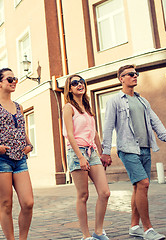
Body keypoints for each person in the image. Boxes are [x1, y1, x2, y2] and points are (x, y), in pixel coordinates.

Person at [101, 65, 166, 240]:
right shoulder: (115, 100)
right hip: (128, 149)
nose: (134, 76)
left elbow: (155, 121)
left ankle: (134, 226)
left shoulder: (143, 101)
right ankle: (148, 229)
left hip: (144, 148)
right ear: (121, 78)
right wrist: (105, 151)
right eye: (130, 74)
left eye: (136, 74)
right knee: (144, 184)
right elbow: (107, 127)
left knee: (138, 187)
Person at [0, 68, 34, 240]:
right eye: (9, 79)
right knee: (6, 204)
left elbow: (21, 129)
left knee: (28, 203)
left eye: (15, 79)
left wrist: (29, 144)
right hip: (0, 159)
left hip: (20, 159)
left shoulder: (19, 106)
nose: (13, 82)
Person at [62, 75, 111, 240]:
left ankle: (98, 232)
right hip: (77, 152)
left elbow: (94, 132)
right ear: (69, 88)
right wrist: (80, 157)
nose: (79, 84)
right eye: (74, 83)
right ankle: (86, 235)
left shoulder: (87, 107)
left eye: (81, 81)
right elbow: (69, 134)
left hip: (92, 152)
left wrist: (102, 152)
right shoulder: (68, 107)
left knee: (104, 192)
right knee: (83, 195)